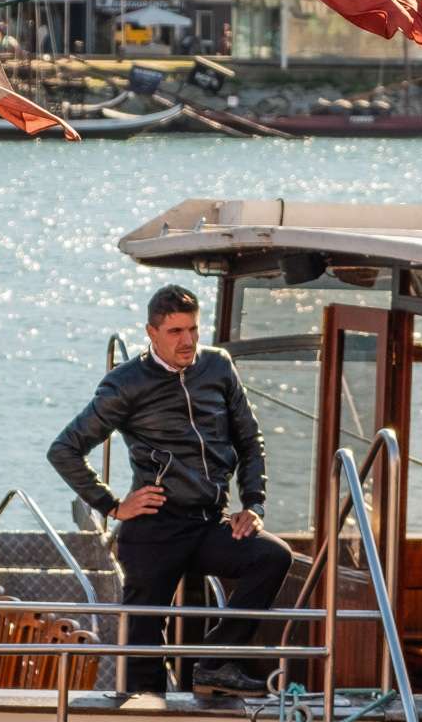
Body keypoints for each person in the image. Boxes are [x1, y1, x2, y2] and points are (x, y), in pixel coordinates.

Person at [48, 285, 290, 698]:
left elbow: (251, 441)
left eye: (193, 329)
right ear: (152, 332)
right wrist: (113, 505)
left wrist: (253, 504)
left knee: (271, 557)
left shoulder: (218, 367)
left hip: (210, 520)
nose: (188, 341)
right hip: (155, 527)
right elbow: (65, 450)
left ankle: (214, 664)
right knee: (145, 651)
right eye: (176, 331)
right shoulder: (125, 383)